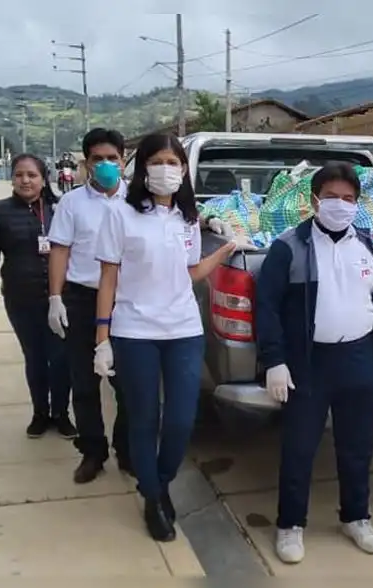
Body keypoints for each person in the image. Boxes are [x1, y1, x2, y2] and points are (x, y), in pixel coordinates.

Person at [254, 162, 373, 564]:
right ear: (314, 200)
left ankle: (356, 517)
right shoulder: (289, 246)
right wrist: (275, 361)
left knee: (358, 446)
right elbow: (266, 307)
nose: (340, 205)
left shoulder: (369, 246)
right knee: (299, 448)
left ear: (358, 203)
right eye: (332, 197)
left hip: (359, 358)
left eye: (349, 198)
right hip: (309, 363)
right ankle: (290, 524)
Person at [91, 132, 238, 541]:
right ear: (143, 168)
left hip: (184, 330)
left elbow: (190, 273)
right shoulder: (120, 214)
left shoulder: (188, 218)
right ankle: (154, 498)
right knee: (144, 418)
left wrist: (225, 250)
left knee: (180, 419)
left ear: (184, 170)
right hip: (134, 330)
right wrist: (102, 337)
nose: (165, 169)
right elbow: (108, 277)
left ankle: (159, 480)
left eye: (173, 163)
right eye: (157, 162)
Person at [47, 128, 131, 484]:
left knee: (128, 384)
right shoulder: (72, 203)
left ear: (123, 161)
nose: (106, 165)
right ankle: (93, 452)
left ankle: (127, 450)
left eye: (113, 158)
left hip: (126, 302)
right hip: (82, 299)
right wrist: (55, 297)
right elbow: (59, 251)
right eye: (98, 159)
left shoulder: (137, 200)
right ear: (86, 163)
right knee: (83, 382)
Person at [0, 154, 75, 439]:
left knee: (61, 358)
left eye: (32, 175)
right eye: (19, 175)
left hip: (62, 298)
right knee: (35, 357)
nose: (25, 180)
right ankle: (40, 413)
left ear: (44, 179)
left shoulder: (60, 209)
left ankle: (61, 413)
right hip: (22, 299)